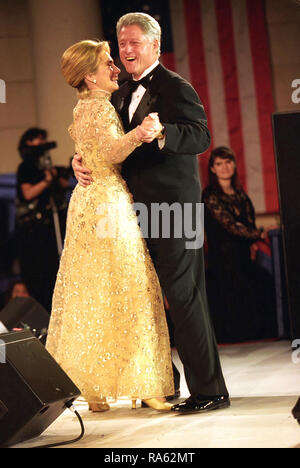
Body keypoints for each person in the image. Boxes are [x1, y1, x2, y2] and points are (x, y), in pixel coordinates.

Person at [73, 12, 229, 414]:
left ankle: (210, 391)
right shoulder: (119, 91)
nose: (126, 51)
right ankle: (161, 383)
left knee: (183, 296)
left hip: (174, 207)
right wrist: (80, 158)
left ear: (155, 46)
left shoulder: (175, 87)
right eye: (121, 43)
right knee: (143, 297)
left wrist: (163, 131)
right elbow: (106, 141)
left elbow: (201, 135)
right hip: (129, 209)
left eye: (134, 43)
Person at [46, 39, 174, 413]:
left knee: (90, 292)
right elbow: (111, 152)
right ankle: (143, 383)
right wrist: (142, 131)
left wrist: (78, 160)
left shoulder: (85, 106)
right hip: (107, 203)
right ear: (90, 76)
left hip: (87, 204)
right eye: (107, 64)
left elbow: (90, 150)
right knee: (129, 286)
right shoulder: (98, 109)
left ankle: (95, 389)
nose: (115, 68)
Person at [202, 146, 277, 343]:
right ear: (212, 169)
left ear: (234, 164)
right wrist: (259, 234)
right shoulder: (210, 196)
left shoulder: (241, 194)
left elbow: (248, 222)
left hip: (244, 256)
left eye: (228, 162)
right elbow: (230, 226)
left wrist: (254, 241)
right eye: (219, 164)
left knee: (263, 283)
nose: (224, 167)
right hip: (223, 260)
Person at [16, 128, 69, 312]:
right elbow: (27, 193)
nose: (41, 143)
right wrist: (46, 181)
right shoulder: (26, 168)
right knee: (42, 278)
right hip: (36, 234)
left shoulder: (46, 166)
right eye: (36, 139)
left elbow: (61, 188)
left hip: (53, 230)